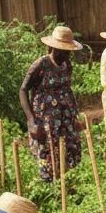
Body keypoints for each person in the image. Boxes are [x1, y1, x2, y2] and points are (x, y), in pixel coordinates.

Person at [20, 24, 83, 181]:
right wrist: (31, 121)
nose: (67, 54)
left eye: (69, 51)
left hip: (65, 117)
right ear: (54, 48)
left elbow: (68, 90)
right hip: (45, 118)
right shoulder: (40, 65)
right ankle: (51, 189)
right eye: (64, 50)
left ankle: (67, 184)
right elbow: (23, 90)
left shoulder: (67, 65)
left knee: (71, 148)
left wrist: (74, 116)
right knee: (47, 151)